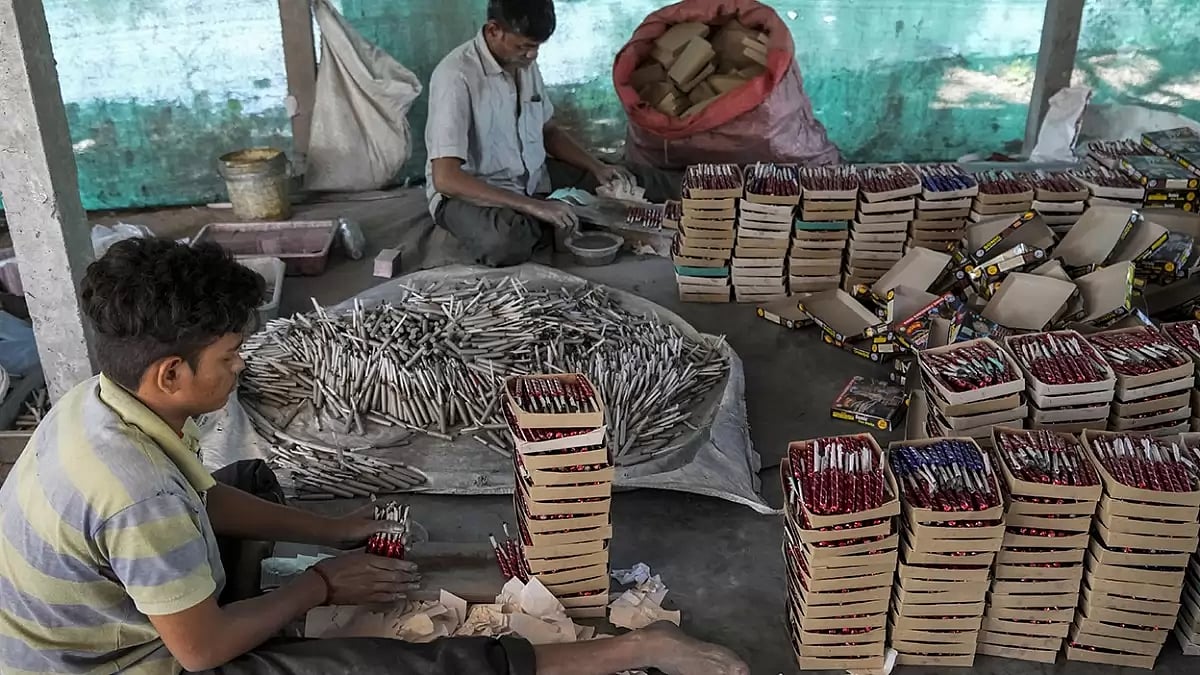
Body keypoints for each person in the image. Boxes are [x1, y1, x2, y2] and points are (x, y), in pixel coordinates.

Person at [0, 237, 749, 675]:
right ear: (169, 373)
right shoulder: (135, 491)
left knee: (251, 483)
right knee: (392, 665)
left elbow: (206, 497)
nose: (242, 370)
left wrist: (332, 530)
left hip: (100, 609)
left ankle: (261, 579)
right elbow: (201, 652)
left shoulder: (101, 403)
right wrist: (317, 588)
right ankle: (632, 649)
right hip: (128, 663)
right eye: (228, 356)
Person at [425, 0, 649, 268]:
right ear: (494, 30)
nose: (532, 56)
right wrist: (533, 206)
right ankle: (557, 215)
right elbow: (446, 178)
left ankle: (561, 213)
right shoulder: (455, 77)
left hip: (533, 178)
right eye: (524, 46)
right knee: (505, 242)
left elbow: (549, 131)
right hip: (471, 193)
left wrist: (596, 166)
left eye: (537, 47)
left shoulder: (524, 65)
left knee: (620, 176)